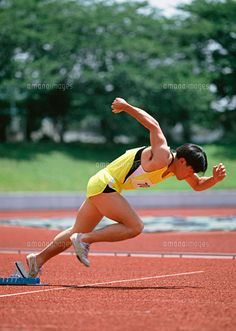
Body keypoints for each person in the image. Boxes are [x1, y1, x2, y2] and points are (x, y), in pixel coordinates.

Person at [26, 97, 227, 276]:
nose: (191, 176)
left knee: (74, 231)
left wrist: (215, 180)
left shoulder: (176, 170)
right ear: (182, 161)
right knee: (135, 226)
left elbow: (198, 185)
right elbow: (154, 126)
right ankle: (85, 239)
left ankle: (38, 259)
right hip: (106, 184)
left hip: (102, 185)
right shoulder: (163, 155)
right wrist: (126, 106)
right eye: (192, 171)